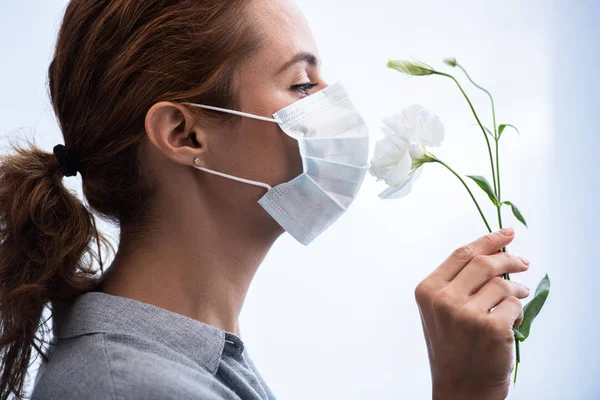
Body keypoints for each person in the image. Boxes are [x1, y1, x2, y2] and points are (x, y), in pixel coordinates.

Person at [0, 0, 531, 399]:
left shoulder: (188, 360)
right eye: (302, 84)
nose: (337, 104)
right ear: (185, 135)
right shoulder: (134, 387)